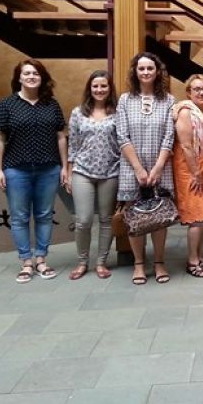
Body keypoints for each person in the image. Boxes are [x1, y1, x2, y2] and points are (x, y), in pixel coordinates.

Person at [0, 59, 68, 283]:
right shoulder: (7, 105)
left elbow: (61, 137)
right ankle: (26, 262)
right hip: (17, 169)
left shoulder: (51, 104)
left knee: (44, 215)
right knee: (19, 217)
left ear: (42, 77)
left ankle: (42, 260)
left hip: (48, 169)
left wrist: (65, 167)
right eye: (26, 73)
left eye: (35, 73)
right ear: (18, 78)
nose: (31, 76)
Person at [115, 52, 175, 285]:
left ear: (157, 71)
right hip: (132, 167)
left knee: (159, 215)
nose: (146, 72)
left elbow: (169, 136)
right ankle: (139, 263)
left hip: (161, 165)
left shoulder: (168, 100)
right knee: (134, 216)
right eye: (141, 69)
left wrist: (158, 167)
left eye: (150, 68)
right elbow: (122, 135)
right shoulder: (125, 100)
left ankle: (159, 262)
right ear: (135, 72)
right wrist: (139, 169)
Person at [66, 70, 119, 280]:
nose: (99, 89)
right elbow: (73, 143)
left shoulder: (117, 112)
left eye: (103, 86)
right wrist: (68, 171)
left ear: (109, 88)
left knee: (107, 219)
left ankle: (101, 262)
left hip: (111, 171)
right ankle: (82, 262)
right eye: (95, 86)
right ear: (89, 88)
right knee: (84, 219)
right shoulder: (78, 113)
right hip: (83, 171)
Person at [173, 74, 203, 278]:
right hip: (191, 173)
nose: (201, 92)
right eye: (197, 89)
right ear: (188, 92)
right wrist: (195, 173)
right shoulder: (185, 112)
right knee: (196, 217)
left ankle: (199, 256)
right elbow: (185, 145)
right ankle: (192, 261)